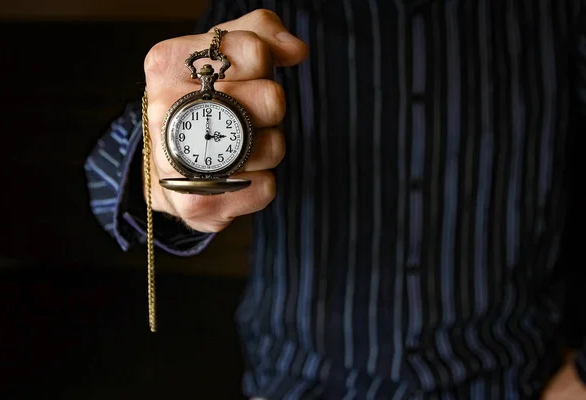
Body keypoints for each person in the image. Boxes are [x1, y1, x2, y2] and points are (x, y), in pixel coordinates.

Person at [84, 0, 586, 398]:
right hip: (302, 381)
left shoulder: (555, 12)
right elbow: (107, 182)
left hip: (515, 377)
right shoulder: (267, 6)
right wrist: (164, 163)